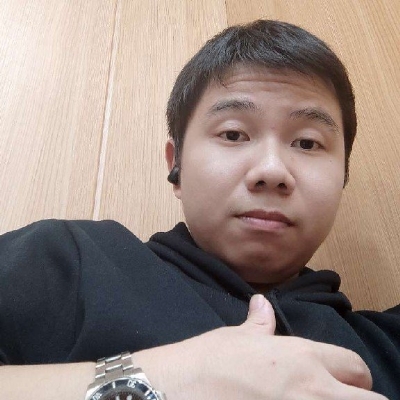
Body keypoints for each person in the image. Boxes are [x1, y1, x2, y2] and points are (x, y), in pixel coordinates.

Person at [0, 19, 398, 400]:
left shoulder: (388, 346)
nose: (272, 171)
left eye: (307, 143)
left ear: (343, 176)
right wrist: (155, 384)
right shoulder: (63, 262)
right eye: (233, 134)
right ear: (176, 166)